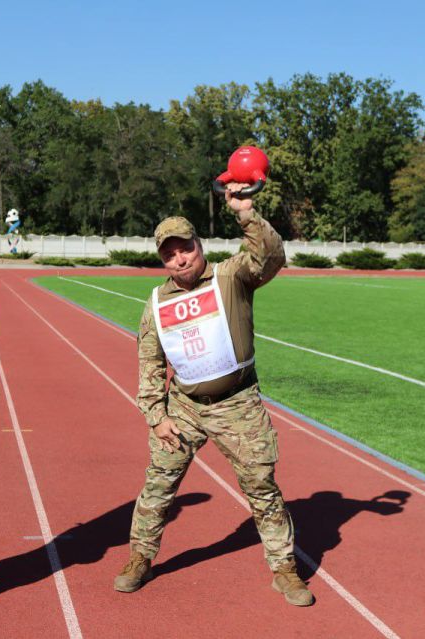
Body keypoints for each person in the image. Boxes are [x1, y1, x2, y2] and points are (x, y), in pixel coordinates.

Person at [114, 183, 314, 607]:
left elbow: (271, 256)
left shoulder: (231, 276)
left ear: (197, 244)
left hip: (238, 404)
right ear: (161, 259)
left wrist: (246, 212)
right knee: (158, 485)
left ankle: (284, 569)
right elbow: (149, 361)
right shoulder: (155, 302)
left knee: (262, 487)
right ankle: (139, 558)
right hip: (182, 409)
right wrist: (156, 415)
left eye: (184, 248)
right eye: (169, 254)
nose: (179, 259)